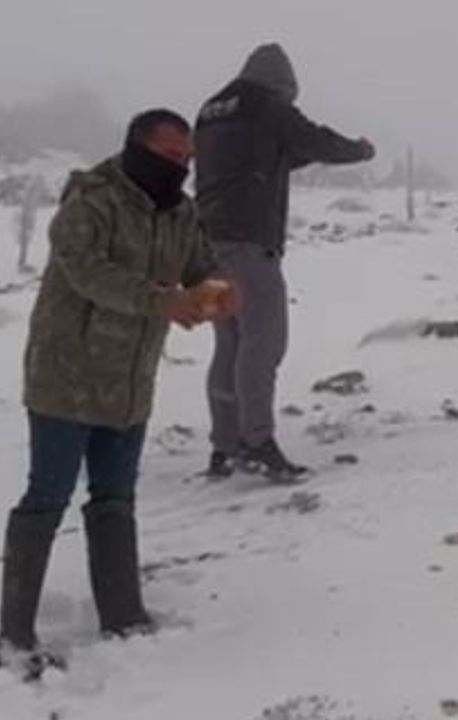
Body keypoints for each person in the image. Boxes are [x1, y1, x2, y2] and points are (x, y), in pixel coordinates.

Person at [0, 109, 233, 678]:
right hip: (67, 375)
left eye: (187, 159)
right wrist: (161, 301)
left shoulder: (181, 211)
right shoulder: (91, 201)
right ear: (136, 148)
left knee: (116, 497)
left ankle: (123, 616)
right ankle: (14, 635)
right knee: (47, 496)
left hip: (129, 380)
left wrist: (218, 290)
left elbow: (199, 265)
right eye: (170, 156)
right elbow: (86, 272)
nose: (180, 168)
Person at [195, 42, 375, 481]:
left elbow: (262, 156)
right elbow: (313, 139)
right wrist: (359, 150)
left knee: (229, 343)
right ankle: (257, 442)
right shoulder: (267, 104)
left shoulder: (212, 110)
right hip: (249, 242)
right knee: (263, 342)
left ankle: (224, 446)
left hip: (208, 244)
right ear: (282, 85)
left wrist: (302, 152)